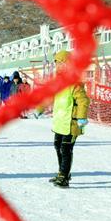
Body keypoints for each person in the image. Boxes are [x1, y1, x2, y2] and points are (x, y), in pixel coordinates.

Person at [43, 50, 90, 188]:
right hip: (60, 121)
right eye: (56, 63)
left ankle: (64, 176)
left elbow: (83, 101)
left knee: (65, 149)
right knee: (57, 146)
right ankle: (62, 173)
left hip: (71, 122)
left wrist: (81, 117)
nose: (57, 66)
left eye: (59, 63)